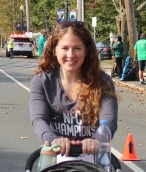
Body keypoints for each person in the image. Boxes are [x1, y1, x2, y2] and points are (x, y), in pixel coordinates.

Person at [29, 21, 118, 159]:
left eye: (77, 48)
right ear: (54, 50)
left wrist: (97, 139)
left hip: (92, 158)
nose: (70, 55)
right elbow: (39, 119)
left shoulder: (103, 81)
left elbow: (109, 118)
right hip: (57, 156)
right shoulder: (41, 81)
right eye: (65, 48)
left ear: (86, 51)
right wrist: (53, 140)